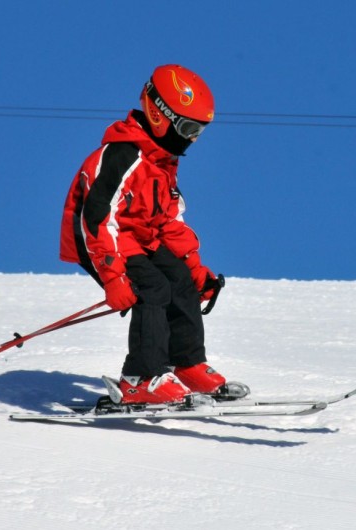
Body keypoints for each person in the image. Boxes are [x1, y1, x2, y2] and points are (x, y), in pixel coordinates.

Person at [59, 64, 227, 405]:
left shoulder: (161, 164)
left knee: (180, 281)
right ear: (160, 115)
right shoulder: (122, 155)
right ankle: (140, 378)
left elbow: (170, 221)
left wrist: (195, 270)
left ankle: (185, 363)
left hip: (138, 239)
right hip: (98, 240)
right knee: (153, 287)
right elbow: (97, 218)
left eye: (199, 131)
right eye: (188, 128)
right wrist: (113, 277)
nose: (193, 139)